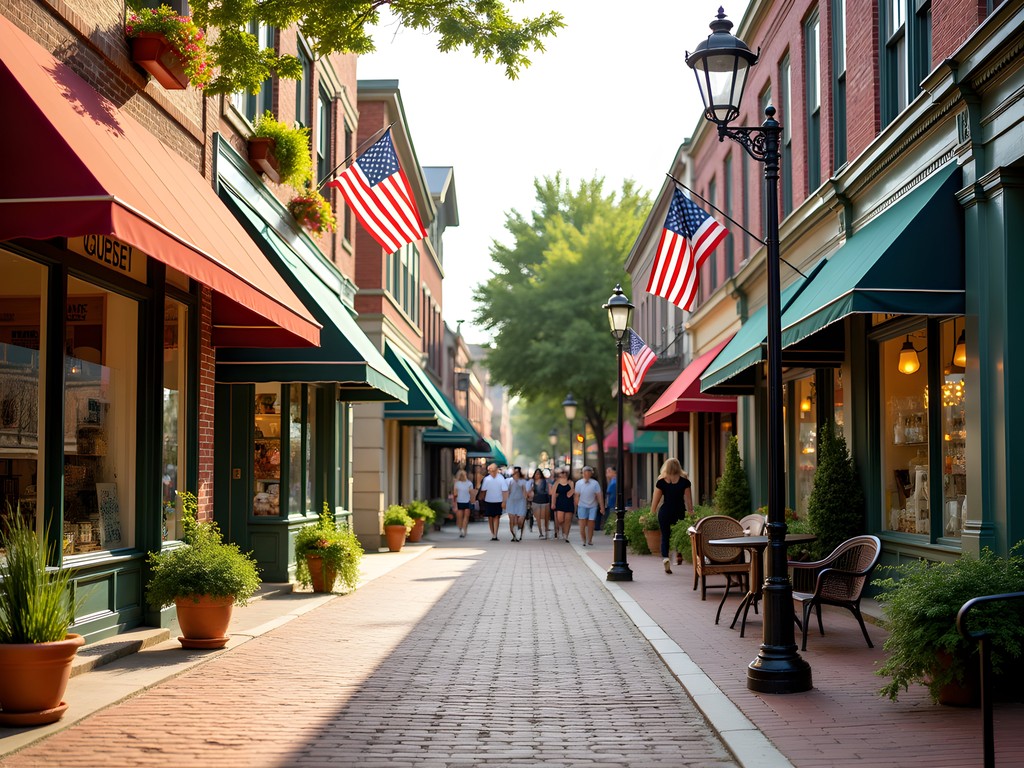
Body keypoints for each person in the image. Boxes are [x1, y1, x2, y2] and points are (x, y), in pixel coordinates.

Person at [649, 457, 694, 573]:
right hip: (679, 511)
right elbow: (689, 501)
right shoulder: (685, 482)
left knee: (665, 535)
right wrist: (691, 512)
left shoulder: (661, 481)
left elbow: (656, 500)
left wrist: (652, 512)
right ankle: (679, 555)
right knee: (679, 535)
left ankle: (665, 558)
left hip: (665, 512)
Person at [477, 462, 509, 540]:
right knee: (490, 518)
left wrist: (504, 501)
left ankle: (495, 534)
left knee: (496, 517)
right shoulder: (487, 479)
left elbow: (504, 491)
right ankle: (493, 533)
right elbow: (483, 490)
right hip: (488, 501)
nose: (492, 472)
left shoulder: (501, 478)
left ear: (496, 470)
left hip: (498, 501)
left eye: (493, 470)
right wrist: (481, 499)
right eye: (490, 470)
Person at [574, 466, 604, 546]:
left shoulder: (595, 483)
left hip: (593, 506)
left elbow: (599, 495)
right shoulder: (579, 483)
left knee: (591, 523)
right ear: (582, 474)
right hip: (582, 505)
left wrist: (602, 507)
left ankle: (590, 539)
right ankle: (583, 540)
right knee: (582, 524)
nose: (586, 474)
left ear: (591, 474)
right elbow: (576, 495)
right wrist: (576, 505)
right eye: (585, 473)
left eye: (588, 473)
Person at [550, 468, 575, 541]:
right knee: (560, 519)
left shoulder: (570, 482)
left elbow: (570, 492)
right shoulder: (557, 482)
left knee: (568, 520)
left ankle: (566, 535)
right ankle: (562, 530)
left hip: (569, 502)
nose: (563, 474)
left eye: (565, 473)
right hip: (560, 502)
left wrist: (572, 491)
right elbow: (553, 493)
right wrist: (553, 503)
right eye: (562, 473)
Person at [506, 467, 530, 541]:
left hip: (521, 502)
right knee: (512, 520)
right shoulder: (509, 481)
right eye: (514, 473)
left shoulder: (523, 482)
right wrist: (504, 502)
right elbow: (507, 492)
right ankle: (514, 535)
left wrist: (527, 501)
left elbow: (526, 494)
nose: (516, 475)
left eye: (517, 473)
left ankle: (519, 533)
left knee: (520, 520)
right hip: (511, 502)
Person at [528, 469, 552, 539]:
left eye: (538, 474)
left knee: (545, 517)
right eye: (536, 474)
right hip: (536, 501)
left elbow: (548, 491)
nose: (537, 475)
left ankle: (545, 532)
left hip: (544, 501)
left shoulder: (545, 481)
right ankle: (541, 533)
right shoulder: (533, 482)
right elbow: (531, 490)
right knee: (538, 518)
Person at [452, 469, 475, 538]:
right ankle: (464, 530)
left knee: (460, 517)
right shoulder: (469, 483)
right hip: (467, 501)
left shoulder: (457, 484)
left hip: (459, 501)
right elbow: (472, 494)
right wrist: (473, 501)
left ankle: (461, 529)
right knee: (466, 517)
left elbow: (455, 494)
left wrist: (454, 503)